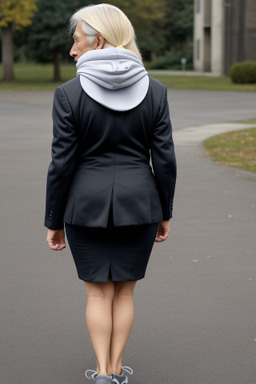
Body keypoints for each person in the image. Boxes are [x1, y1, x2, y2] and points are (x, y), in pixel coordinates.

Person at [45, 4, 176, 384]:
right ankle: (118, 370)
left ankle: (101, 373)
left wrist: (53, 221)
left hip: (84, 207)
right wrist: (164, 211)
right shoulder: (156, 91)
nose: (72, 50)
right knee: (124, 295)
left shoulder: (68, 94)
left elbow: (61, 165)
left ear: (98, 40)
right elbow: (164, 160)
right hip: (141, 206)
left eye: (76, 41)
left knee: (98, 295)